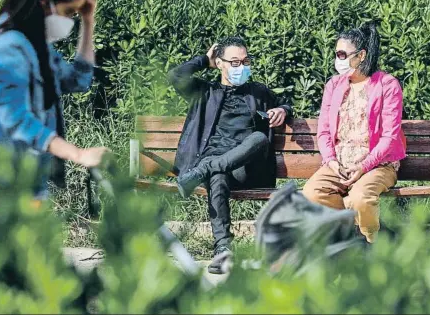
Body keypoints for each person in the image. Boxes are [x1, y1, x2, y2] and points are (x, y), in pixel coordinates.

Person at [0, 0, 109, 201]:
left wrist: (88, 21)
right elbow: (17, 121)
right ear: (45, 1)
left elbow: (78, 80)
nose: (68, 22)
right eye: (68, 12)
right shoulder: (8, 47)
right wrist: (77, 154)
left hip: (25, 179)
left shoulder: (35, 44)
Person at [168, 36, 292, 274]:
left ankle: (202, 171)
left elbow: (286, 103)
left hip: (247, 169)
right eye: (234, 62)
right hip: (218, 166)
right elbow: (175, 76)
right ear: (220, 63)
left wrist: (281, 110)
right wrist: (204, 60)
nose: (242, 67)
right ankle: (223, 249)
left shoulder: (258, 91)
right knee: (218, 175)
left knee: (258, 138)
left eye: (245, 61)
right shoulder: (205, 91)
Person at [302, 22, 406, 244]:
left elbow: (389, 136)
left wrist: (363, 167)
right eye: (336, 54)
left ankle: (373, 244)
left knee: (359, 199)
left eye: (342, 54)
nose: (337, 60)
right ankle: (356, 237)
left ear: (361, 56)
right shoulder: (333, 85)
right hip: (338, 164)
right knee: (311, 194)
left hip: (377, 165)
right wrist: (330, 161)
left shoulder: (388, 85)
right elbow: (324, 131)